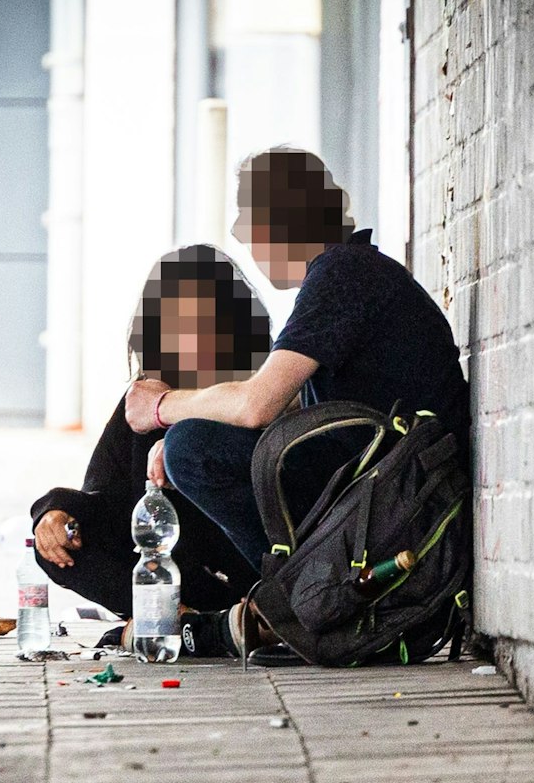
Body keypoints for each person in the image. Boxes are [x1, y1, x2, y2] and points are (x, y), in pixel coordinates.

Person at [122, 148, 470, 649]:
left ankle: (299, 611)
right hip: (389, 493)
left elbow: (257, 403)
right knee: (193, 444)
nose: (241, 234)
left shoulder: (344, 273)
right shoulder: (346, 273)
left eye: (246, 216)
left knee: (193, 449)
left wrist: (161, 407)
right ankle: (285, 606)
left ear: (282, 218)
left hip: (404, 507)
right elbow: (285, 408)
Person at [28, 244, 271, 652]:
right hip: (176, 579)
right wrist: (51, 513)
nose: (192, 336)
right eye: (177, 322)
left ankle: (188, 627)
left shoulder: (261, 389)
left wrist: (181, 444)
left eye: (207, 320)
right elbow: (103, 498)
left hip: (248, 569)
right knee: (60, 542)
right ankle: (188, 625)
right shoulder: (148, 400)